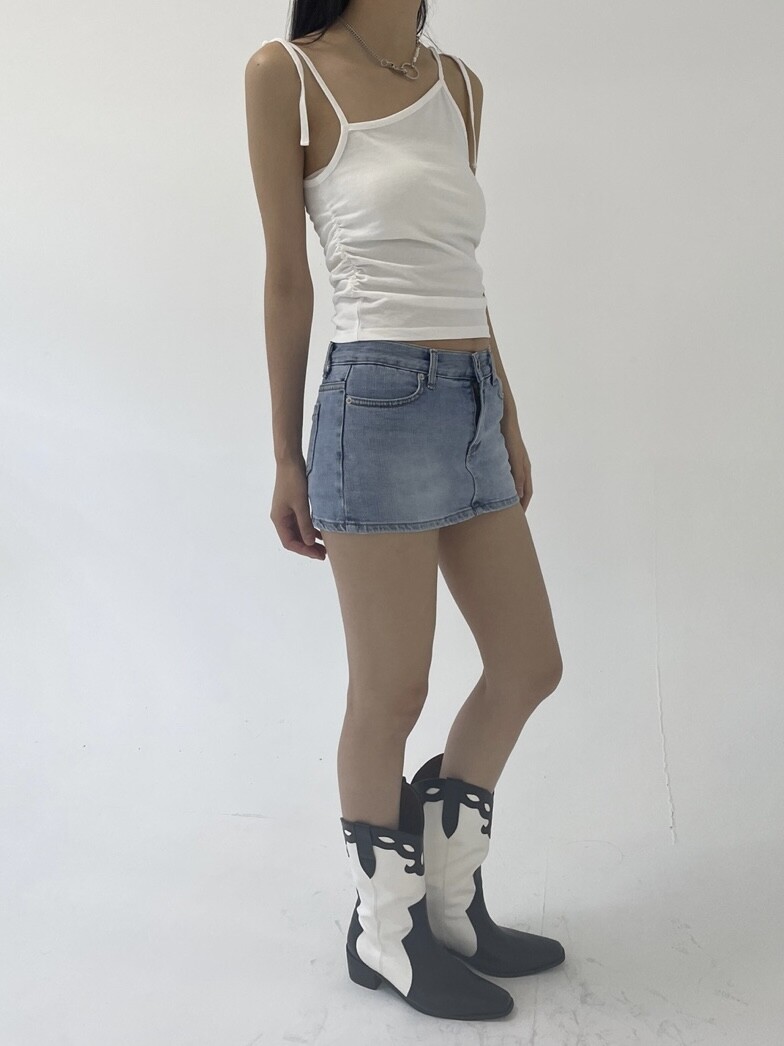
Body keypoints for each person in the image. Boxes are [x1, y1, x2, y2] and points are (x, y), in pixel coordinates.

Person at [245, 0, 565, 1021]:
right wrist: (285, 453)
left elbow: (461, 269)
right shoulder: (287, 73)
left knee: (528, 663)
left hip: (470, 400)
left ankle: (451, 904)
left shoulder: (459, 85)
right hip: (374, 403)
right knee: (392, 688)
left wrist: (506, 413)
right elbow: (286, 276)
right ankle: (385, 929)